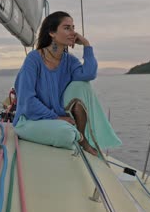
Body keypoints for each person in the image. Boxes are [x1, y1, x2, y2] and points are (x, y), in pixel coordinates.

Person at [12, 11, 121, 156]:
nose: (73, 33)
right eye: (67, 28)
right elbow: (27, 100)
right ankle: (81, 139)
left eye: (73, 28)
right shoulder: (34, 59)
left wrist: (87, 45)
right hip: (30, 120)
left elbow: (89, 74)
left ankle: (80, 137)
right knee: (66, 133)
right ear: (52, 32)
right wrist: (56, 117)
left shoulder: (69, 61)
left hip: (56, 121)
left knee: (82, 85)